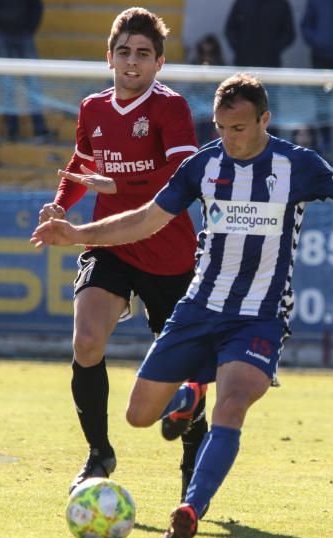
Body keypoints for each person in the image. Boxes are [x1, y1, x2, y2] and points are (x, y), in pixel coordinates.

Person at [30, 73, 333, 538]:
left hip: (260, 315)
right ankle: (191, 390)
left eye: (238, 128)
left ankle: (191, 507)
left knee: (232, 405)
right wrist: (78, 234)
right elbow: (147, 219)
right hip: (198, 307)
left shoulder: (297, 165)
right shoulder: (202, 166)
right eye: (219, 128)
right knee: (137, 416)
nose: (228, 138)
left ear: (264, 120)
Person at [39, 7, 208, 500]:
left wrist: (118, 182)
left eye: (143, 54)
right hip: (110, 244)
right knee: (87, 342)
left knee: (183, 371)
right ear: (108, 57)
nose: (132, 62)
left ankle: (193, 456)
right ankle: (98, 455)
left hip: (168, 251)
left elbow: (185, 177)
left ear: (159, 63)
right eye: (124, 52)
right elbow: (82, 162)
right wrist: (61, 204)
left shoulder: (170, 108)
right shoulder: (92, 107)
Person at [0, 0, 49, 140]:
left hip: (24, 34)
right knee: (7, 84)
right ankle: (12, 129)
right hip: (0, 34)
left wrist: (29, 29)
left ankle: (39, 128)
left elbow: (36, 6)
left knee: (33, 83)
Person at [225, 0, 295, 68]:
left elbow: (288, 33)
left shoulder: (281, 4)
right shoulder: (242, 2)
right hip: (243, 61)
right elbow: (230, 29)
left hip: (270, 62)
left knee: (268, 79)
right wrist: (239, 47)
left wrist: (274, 49)